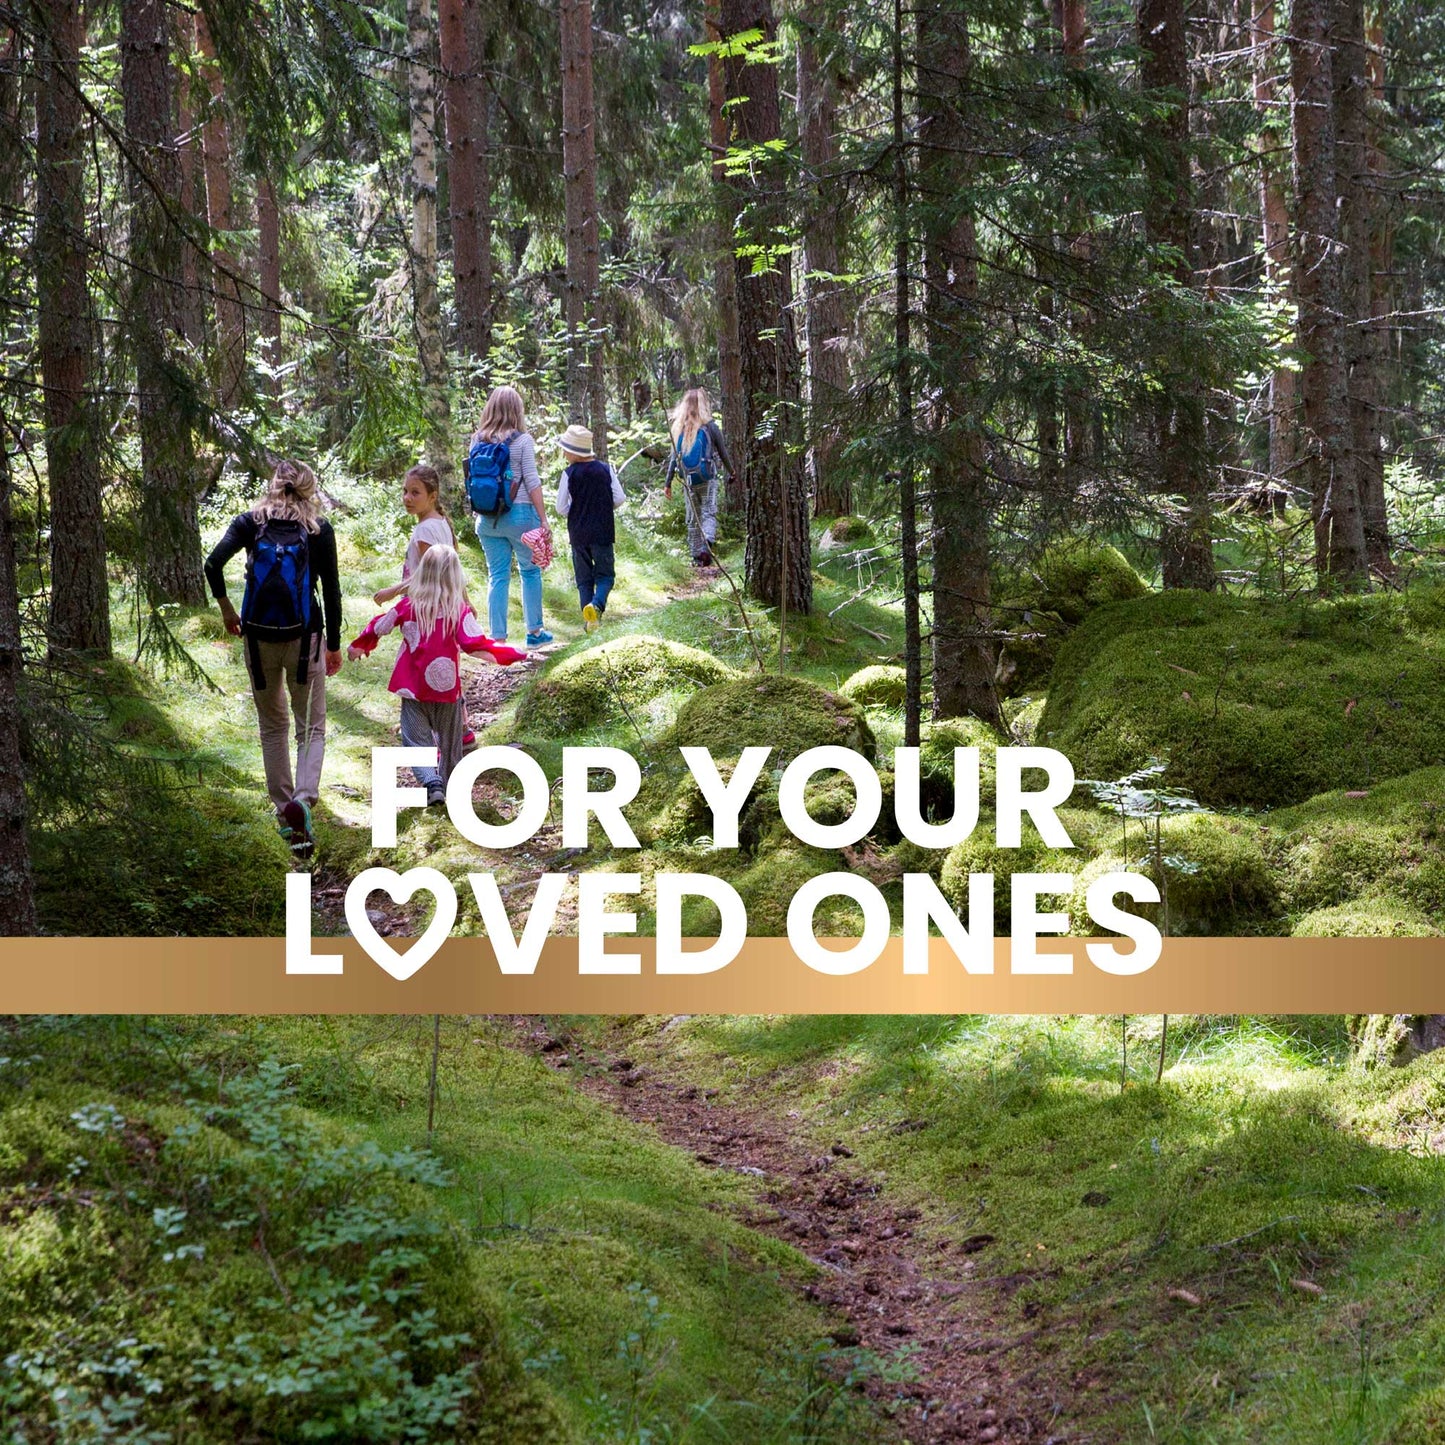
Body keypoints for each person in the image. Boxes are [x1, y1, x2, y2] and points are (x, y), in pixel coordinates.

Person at [204, 458, 342, 858]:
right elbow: (330, 591)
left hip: (257, 637)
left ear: (273, 484)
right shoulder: (319, 529)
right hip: (305, 638)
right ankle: (304, 799)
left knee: (272, 725)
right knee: (310, 727)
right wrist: (332, 644)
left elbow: (212, 564)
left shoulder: (250, 522)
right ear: (309, 488)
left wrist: (228, 611)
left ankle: (285, 814)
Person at [347, 545, 527, 807]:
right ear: (455, 576)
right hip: (447, 690)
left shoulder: (407, 606)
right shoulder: (458, 610)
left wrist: (359, 645)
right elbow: (475, 644)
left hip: (413, 687)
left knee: (414, 739)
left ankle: (432, 783)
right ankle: (449, 787)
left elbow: (380, 625)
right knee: (451, 741)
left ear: (421, 574)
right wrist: (512, 654)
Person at [373, 463, 477, 749]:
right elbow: (452, 569)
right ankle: (461, 729)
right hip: (446, 608)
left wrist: (393, 591)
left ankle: (428, 728)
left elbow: (425, 576)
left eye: (415, 493)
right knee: (445, 666)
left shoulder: (425, 532)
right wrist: (465, 601)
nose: (408, 498)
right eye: (405, 491)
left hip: (426, 611)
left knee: (419, 667)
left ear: (433, 495)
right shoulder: (439, 523)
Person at [466, 385, 554, 648]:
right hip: (520, 516)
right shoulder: (522, 441)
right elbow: (532, 480)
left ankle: (499, 639)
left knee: (497, 576)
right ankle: (534, 633)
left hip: (487, 519)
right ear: (517, 410)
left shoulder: (477, 440)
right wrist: (544, 518)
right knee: (529, 572)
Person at [555, 424, 624, 633]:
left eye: (565, 449)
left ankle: (589, 621)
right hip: (603, 531)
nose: (564, 453)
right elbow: (620, 498)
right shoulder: (605, 469)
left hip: (578, 534)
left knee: (584, 580)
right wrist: (603, 507)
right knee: (605, 576)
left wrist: (575, 512)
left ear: (574, 452)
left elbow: (560, 507)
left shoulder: (569, 474)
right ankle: (596, 606)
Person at [664, 387, 735, 568]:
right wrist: (731, 471)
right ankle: (706, 546)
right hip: (707, 477)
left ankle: (696, 557)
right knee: (708, 512)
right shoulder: (710, 427)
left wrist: (668, 483)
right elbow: (723, 452)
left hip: (688, 480)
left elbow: (674, 458)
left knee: (693, 517)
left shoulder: (679, 428)